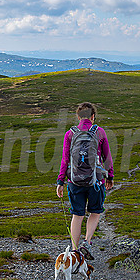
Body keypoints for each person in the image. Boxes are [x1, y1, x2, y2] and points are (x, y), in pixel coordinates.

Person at [56, 102, 115, 261]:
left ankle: (75, 251)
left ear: (78, 117)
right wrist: (109, 176)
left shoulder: (70, 134)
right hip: (96, 182)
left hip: (74, 181)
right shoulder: (99, 132)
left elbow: (65, 160)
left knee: (77, 214)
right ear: (93, 117)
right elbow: (107, 158)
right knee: (95, 211)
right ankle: (87, 242)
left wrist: (60, 181)